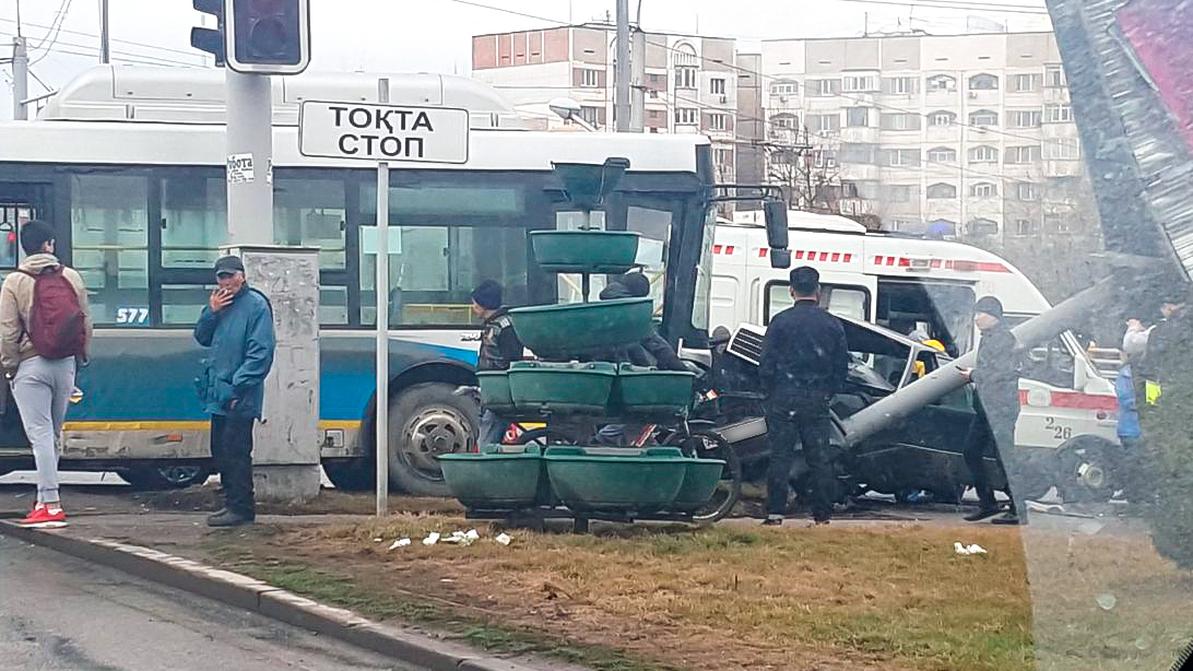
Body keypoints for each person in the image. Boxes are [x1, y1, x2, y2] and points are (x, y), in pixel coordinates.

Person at [0, 221, 92, 529]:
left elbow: (7, 332)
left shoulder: (14, 282)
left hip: (30, 365)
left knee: (39, 434)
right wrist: (81, 356)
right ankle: (44, 500)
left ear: (24, 247)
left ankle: (51, 504)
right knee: (52, 434)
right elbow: (85, 321)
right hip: (65, 364)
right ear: (49, 244)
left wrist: (10, 367)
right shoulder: (71, 277)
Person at [758, 266, 849, 526]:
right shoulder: (832, 324)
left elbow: (766, 363)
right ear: (818, 291)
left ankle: (775, 512)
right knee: (819, 458)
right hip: (816, 399)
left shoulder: (780, 322)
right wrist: (828, 392)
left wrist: (771, 392)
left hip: (783, 397)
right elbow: (841, 366)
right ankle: (822, 514)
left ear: (791, 291)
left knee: (780, 456)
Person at [194, 256, 276, 528]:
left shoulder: (256, 306)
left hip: (241, 394)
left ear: (242, 276)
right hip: (219, 393)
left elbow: (260, 353)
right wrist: (211, 312)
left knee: (236, 451)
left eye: (231, 276)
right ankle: (231, 503)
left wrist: (238, 386)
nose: (226, 282)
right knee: (220, 450)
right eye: (222, 277)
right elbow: (202, 337)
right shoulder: (219, 304)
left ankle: (242, 508)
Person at [959, 296, 1025, 525]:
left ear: (994, 316)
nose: (976, 318)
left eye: (980, 314)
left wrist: (973, 375)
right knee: (971, 451)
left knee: (1004, 457)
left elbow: (1000, 373)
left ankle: (1018, 508)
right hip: (988, 407)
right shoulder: (990, 338)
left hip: (1000, 408)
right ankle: (988, 502)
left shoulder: (1003, 339)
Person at [471, 280, 523, 446]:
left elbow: (511, 359)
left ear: (484, 304)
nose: (473, 307)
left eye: (475, 303)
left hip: (500, 392)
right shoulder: (494, 325)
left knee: (488, 437)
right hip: (492, 390)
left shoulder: (504, 327)